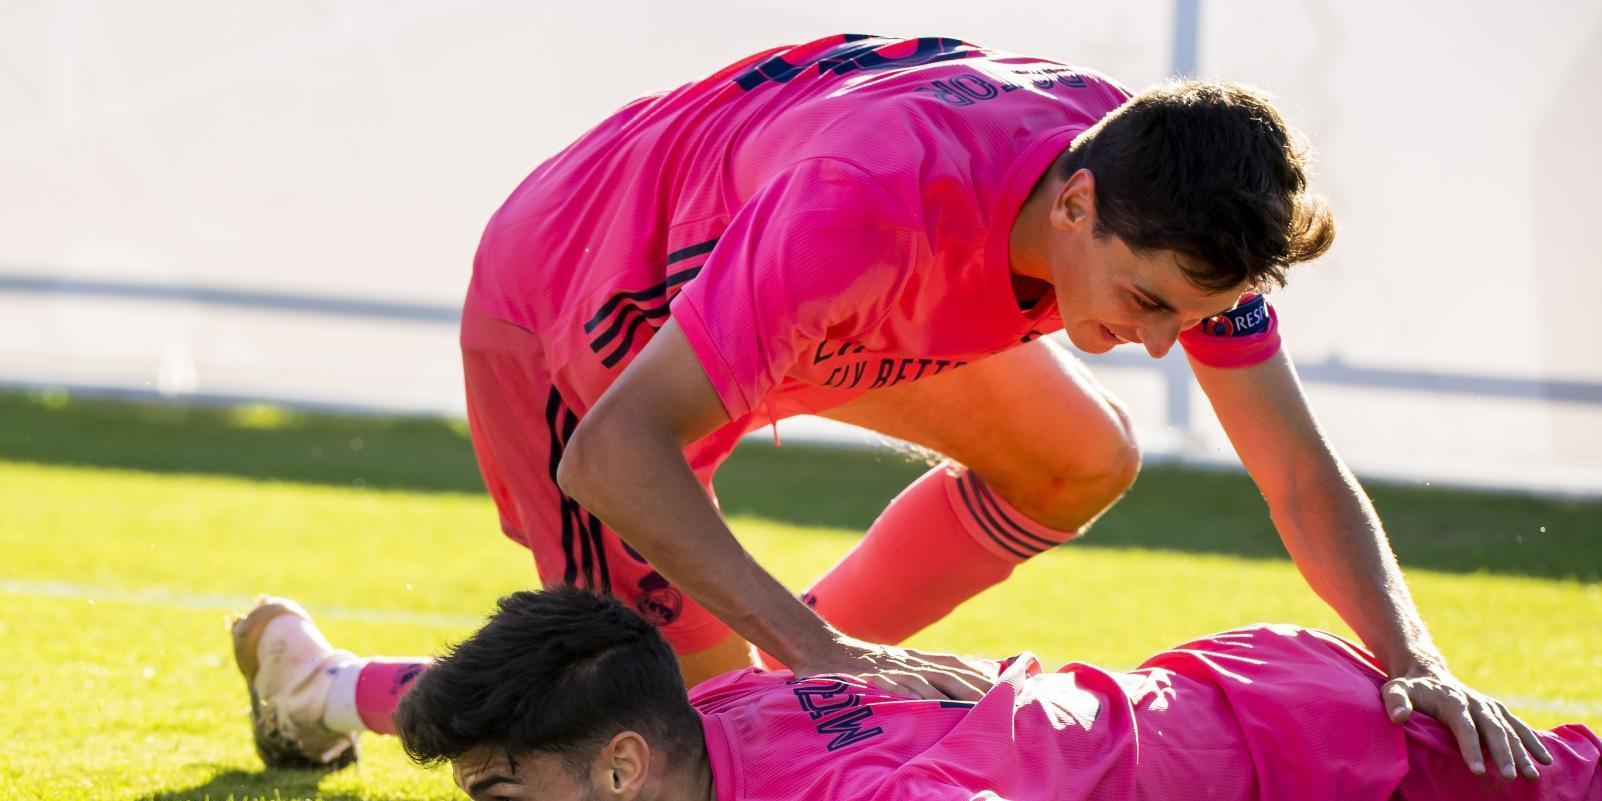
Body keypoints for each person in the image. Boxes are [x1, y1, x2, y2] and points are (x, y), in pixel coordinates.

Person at [230, 33, 1551, 781]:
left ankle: (791, 673)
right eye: (1146, 307)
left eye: (1185, 320)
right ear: (1075, 206)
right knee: (669, 739)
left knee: (1081, 454)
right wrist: (811, 651)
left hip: (803, 293)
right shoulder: (871, 208)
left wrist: (1412, 658)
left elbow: (1299, 475)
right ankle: (326, 687)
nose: (1158, 347)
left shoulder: (1162, 194)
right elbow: (616, 452)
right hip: (586, 313)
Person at [390, 586, 1601, 801]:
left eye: (501, 798)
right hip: (1229, 690)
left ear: (619, 766)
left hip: (1329, 749)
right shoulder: (688, 720)